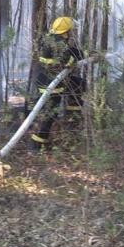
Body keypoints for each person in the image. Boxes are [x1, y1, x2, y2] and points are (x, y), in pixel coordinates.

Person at [29, 16, 85, 149]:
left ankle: (73, 118)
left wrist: (82, 53)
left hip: (48, 80)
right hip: (51, 85)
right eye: (70, 30)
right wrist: (77, 57)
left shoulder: (51, 38)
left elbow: (70, 52)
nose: (72, 33)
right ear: (66, 32)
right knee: (50, 115)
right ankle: (37, 145)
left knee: (79, 84)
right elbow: (68, 62)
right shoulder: (60, 44)